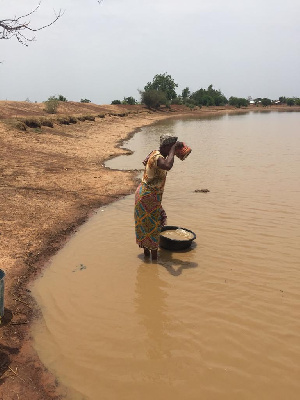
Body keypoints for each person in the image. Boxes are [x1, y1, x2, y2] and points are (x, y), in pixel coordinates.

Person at [134, 134, 183, 260]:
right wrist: (173, 150)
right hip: (147, 196)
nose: (175, 150)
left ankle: (147, 259)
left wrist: (174, 151)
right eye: (172, 147)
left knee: (149, 225)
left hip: (148, 195)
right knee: (153, 227)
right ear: (166, 147)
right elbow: (167, 166)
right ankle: (154, 261)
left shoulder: (157, 154)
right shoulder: (157, 158)